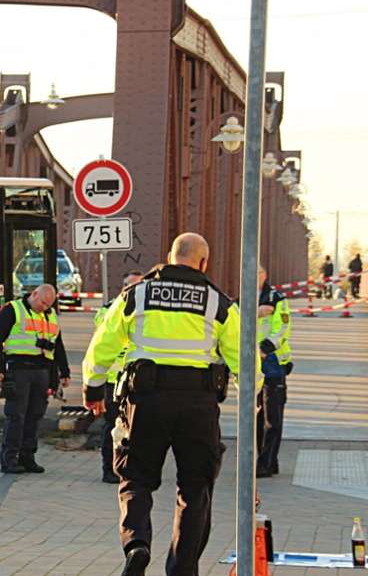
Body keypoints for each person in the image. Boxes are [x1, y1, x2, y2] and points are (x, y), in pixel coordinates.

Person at [82, 233, 260, 576]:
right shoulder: (219, 303)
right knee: (195, 487)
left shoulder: (136, 294)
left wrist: (92, 387)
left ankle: (137, 543)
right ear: (204, 263)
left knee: (135, 478)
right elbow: (245, 360)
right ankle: (182, 567)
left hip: (145, 400)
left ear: (169, 256)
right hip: (198, 404)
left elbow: (103, 343)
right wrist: (252, 404)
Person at [0, 283, 71, 474]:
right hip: (19, 370)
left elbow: (57, 345)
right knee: (16, 416)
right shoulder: (13, 310)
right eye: (42, 303)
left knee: (35, 416)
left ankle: (28, 458)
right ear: (34, 294)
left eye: (48, 304)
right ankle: (9, 460)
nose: (44, 307)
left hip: (42, 371)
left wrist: (64, 372)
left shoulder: (50, 315)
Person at [97, 270, 145, 484]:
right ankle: (109, 469)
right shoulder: (108, 310)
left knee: (138, 427)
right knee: (112, 426)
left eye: (137, 285)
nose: (132, 289)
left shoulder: (148, 311)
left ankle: (131, 468)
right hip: (113, 380)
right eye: (129, 285)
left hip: (138, 380)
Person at [255, 266, 292, 478]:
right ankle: (267, 459)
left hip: (273, 361)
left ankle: (266, 463)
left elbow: (283, 328)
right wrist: (256, 313)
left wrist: (265, 347)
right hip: (253, 362)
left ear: (264, 275)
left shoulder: (276, 298)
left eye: (258, 272)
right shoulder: (243, 300)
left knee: (273, 416)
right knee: (257, 416)